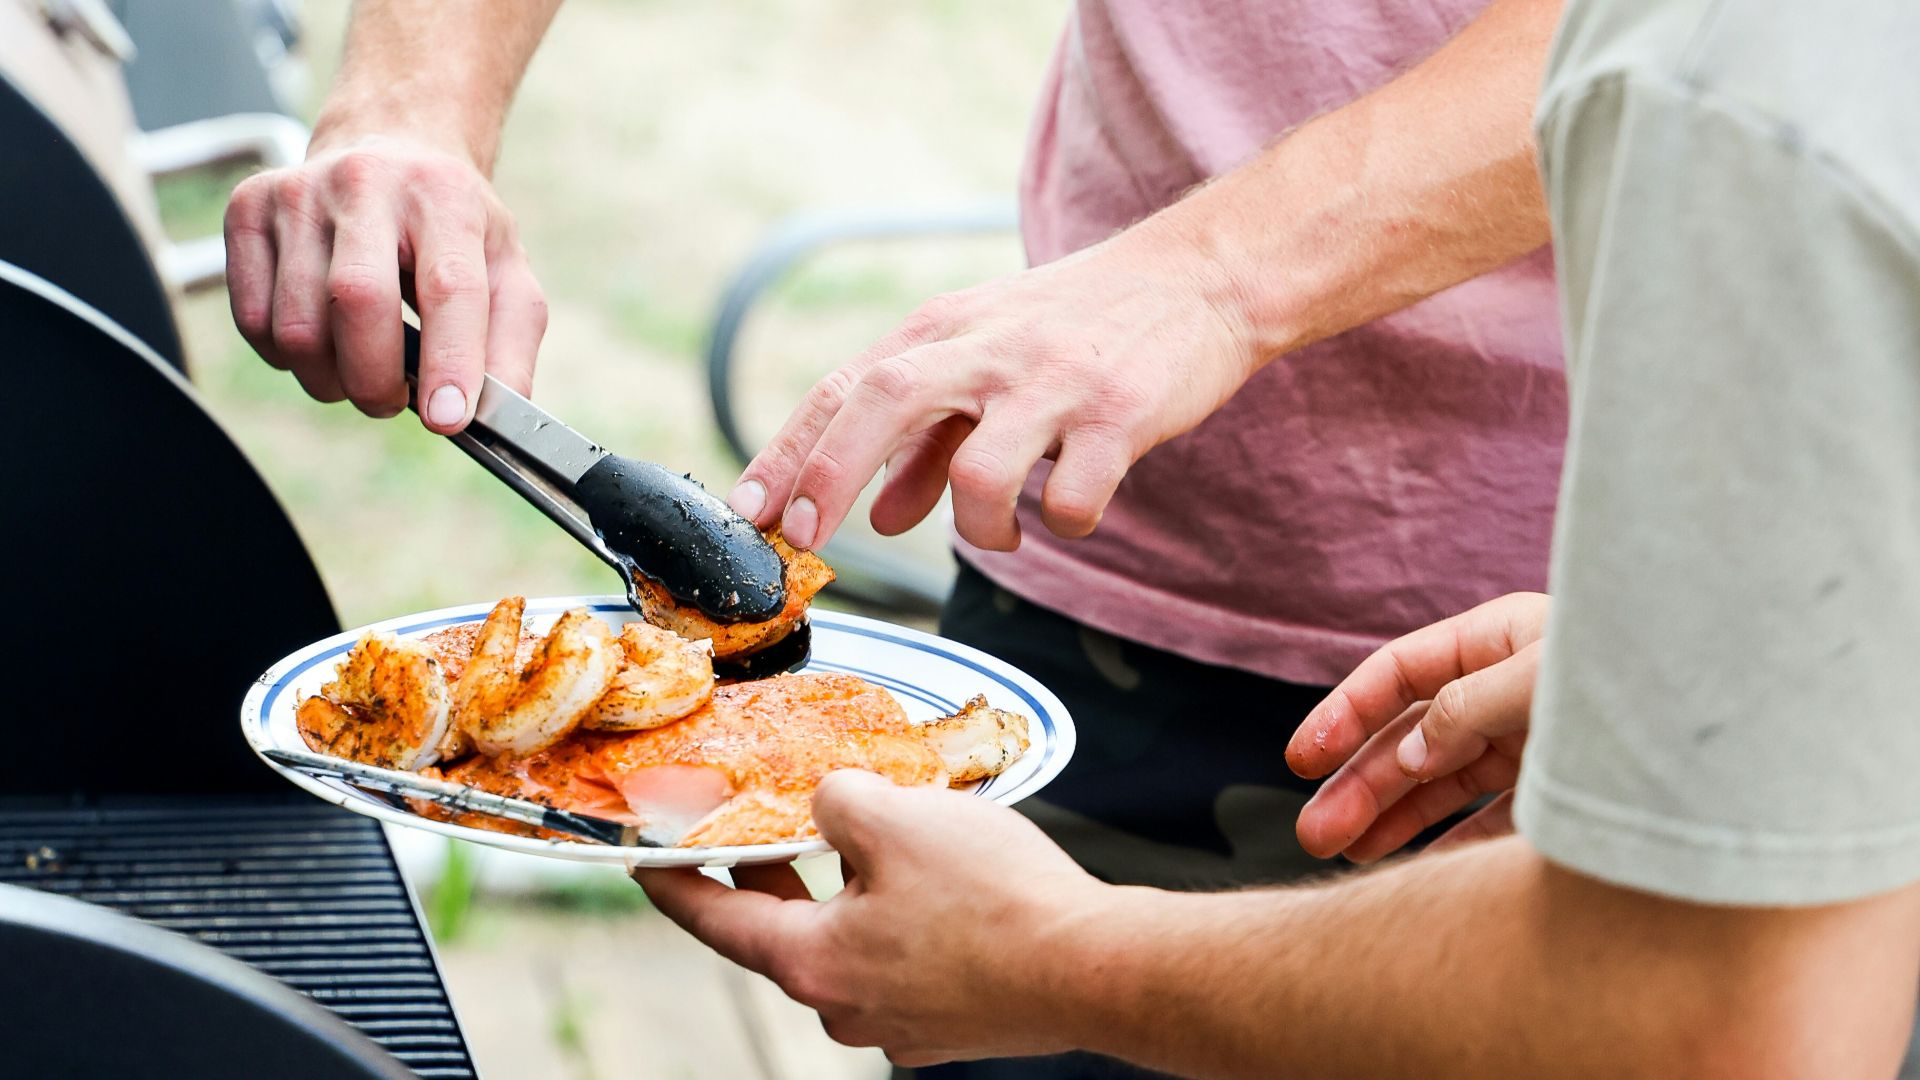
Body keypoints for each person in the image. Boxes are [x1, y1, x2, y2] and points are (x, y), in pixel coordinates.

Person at [634, 0, 1920, 1072]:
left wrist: (1062, 961)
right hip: (1328, 650)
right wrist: (1714, 665)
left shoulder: (1753, 99)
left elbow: (1728, 1014)